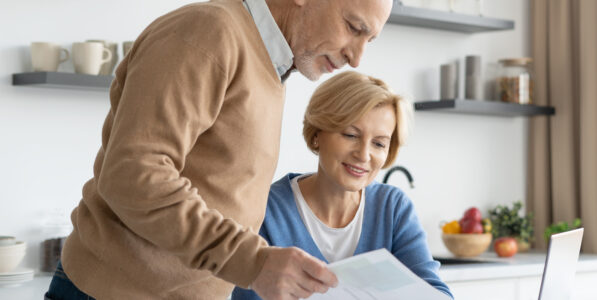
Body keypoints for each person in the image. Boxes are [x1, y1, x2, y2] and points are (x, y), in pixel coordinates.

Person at [45, 0, 393, 299]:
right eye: (353, 27)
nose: (357, 57)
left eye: (370, 40)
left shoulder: (272, 68)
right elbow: (133, 175)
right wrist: (253, 262)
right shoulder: (209, 33)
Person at [232, 71, 453, 299]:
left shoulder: (393, 208)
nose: (364, 155)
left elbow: (436, 293)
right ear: (317, 133)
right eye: (350, 135)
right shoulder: (267, 208)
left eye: (379, 143)